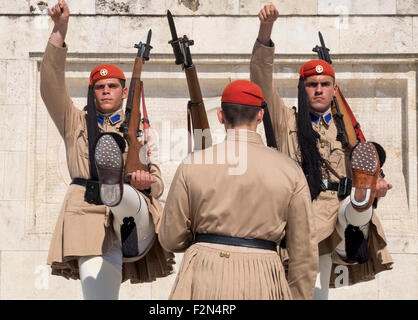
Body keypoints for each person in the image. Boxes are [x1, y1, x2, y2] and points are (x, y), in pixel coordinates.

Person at [250, 3, 394, 300]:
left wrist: (377, 184)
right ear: (303, 89)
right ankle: (359, 210)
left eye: (325, 84)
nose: (318, 89)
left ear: (333, 89)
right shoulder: (286, 120)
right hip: (307, 212)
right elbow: (262, 82)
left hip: (341, 208)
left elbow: (363, 158)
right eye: (312, 84)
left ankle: (361, 205)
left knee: (357, 201)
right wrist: (266, 32)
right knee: (314, 293)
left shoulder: (347, 129)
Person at [41, 0, 174, 299]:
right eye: (100, 87)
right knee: (98, 295)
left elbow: (157, 179)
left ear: (124, 92)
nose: (105, 91)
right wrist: (59, 29)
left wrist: (147, 183)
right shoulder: (73, 121)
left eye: (112, 86)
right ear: (92, 91)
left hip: (133, 221)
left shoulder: (137, 131)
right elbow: (50, 84)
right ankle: (110, 187)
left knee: (128, 196)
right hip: (88, 214)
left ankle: (117, 189)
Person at [159, 80, 318, 300]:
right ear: (260, 116)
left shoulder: (192, 165)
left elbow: (170, 238)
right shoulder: (290, 170)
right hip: (264, 275)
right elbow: (304, 251)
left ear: (221, 116)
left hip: (205, 274)